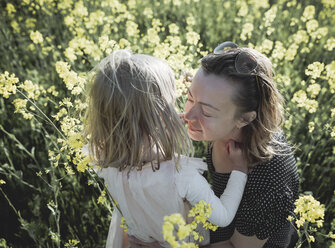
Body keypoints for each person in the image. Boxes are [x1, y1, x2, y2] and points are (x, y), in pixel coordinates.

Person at [83, 49, 249, 248]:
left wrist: (163, 128)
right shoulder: (180, 176)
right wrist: (240, 170)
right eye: (172, 102)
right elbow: (223, 217)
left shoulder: (104, 161)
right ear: (161, 117)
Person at [182, 41, 299, 248]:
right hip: (219, 223)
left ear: (245, 119)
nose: (188, 115)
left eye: (207, 112)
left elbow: (235, 246)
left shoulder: (269, 182)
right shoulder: (224, 123)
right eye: (189, 97)